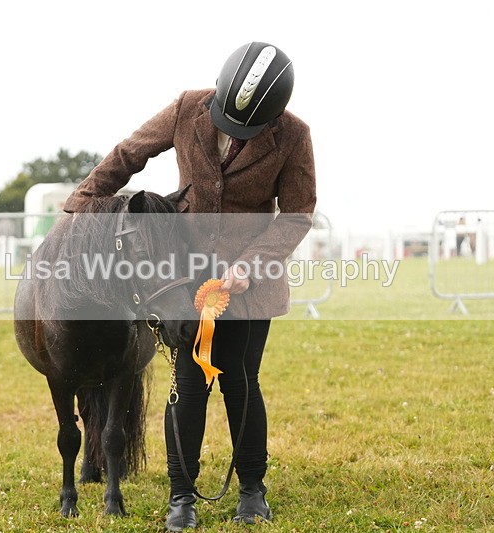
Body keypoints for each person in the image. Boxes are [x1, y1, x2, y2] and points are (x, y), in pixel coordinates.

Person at [63, 42, 317, 530]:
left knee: (241, 383)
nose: (232, 132)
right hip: (182, 276)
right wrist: (83, 201)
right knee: (188, 384)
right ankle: (182, 496)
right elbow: (130, 153)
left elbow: (297, 213)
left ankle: (252, 491)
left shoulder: (294, 135)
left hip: (249, 286)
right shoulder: (186, 107)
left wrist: (251, 265)